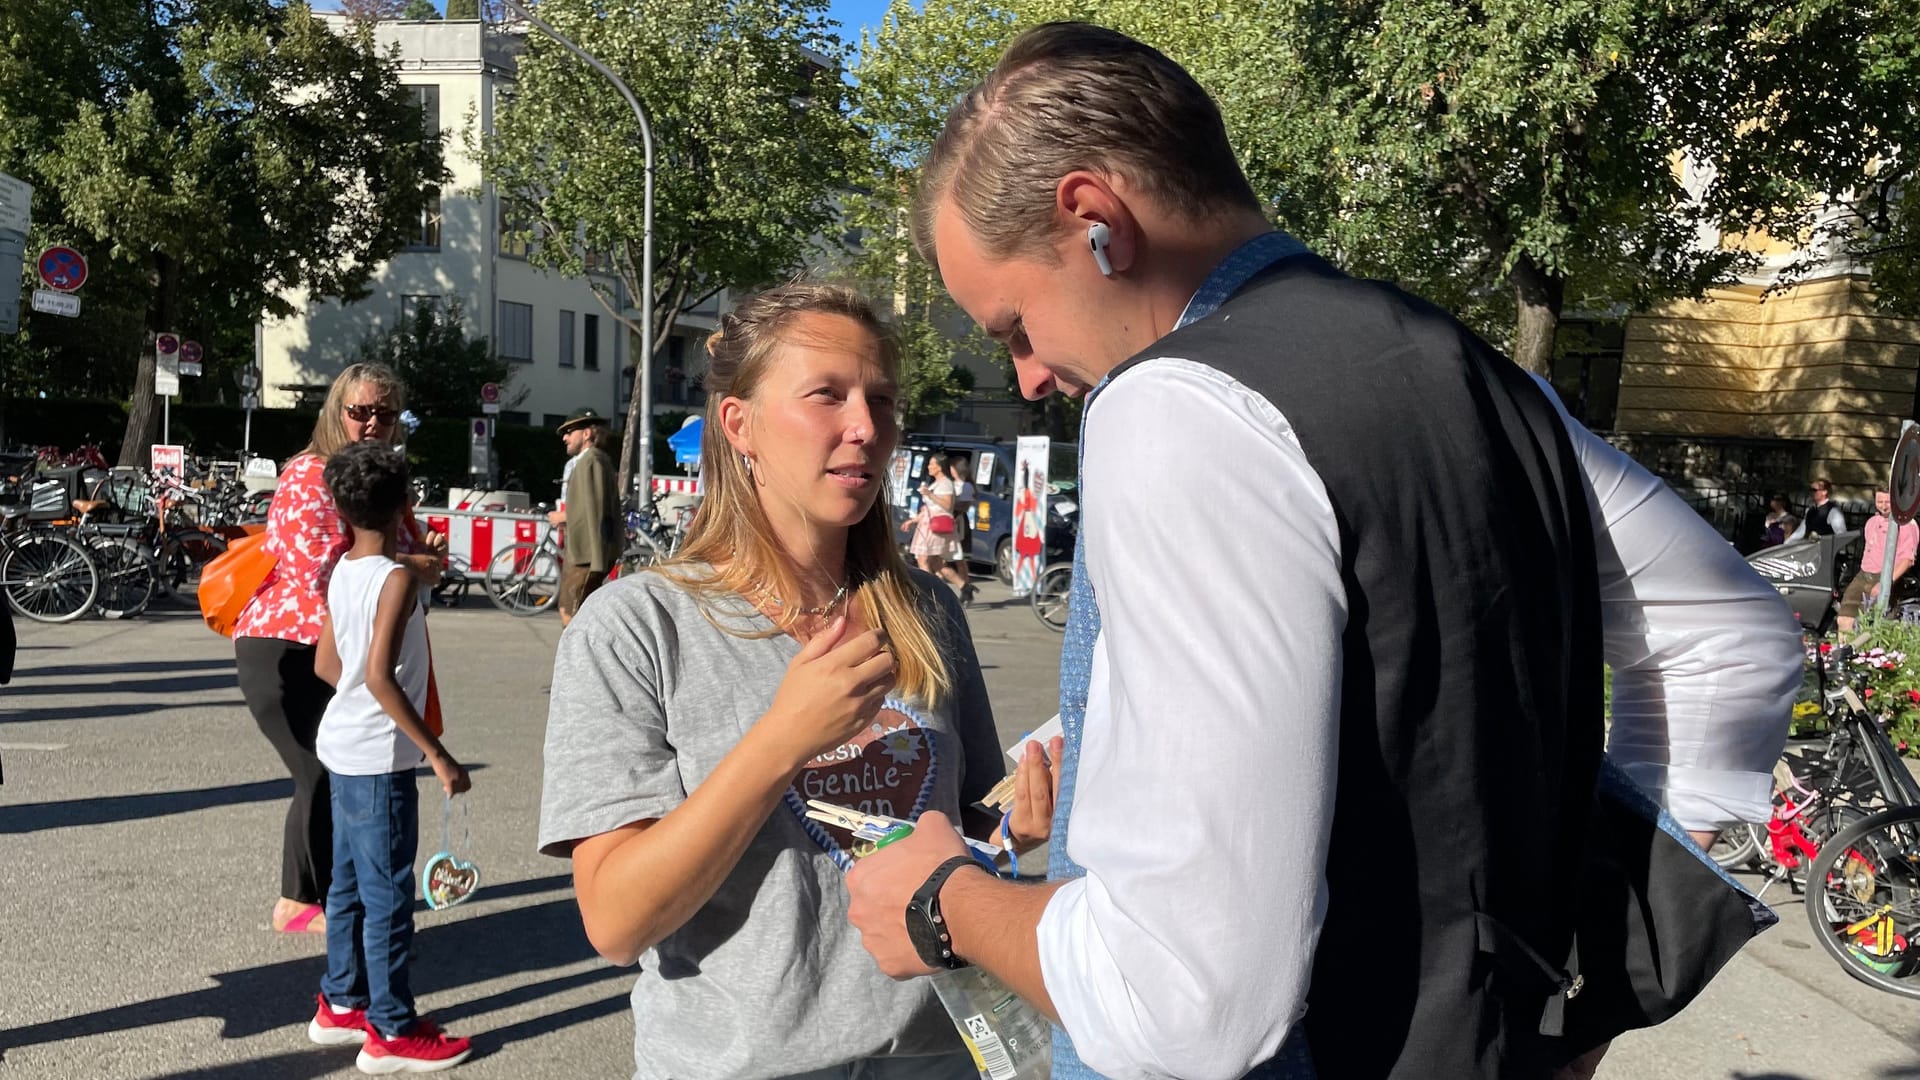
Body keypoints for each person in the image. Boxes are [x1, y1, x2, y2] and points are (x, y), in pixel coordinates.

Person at [840, 23, 1802, 1080]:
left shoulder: (1171, 407)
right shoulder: (1472, 370)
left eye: (1014, 323)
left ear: (1096, 221)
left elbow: (1187, 1004)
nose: (1027, 376)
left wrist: (944, 901)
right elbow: (1729, 633)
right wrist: (1593, 987)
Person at [537, 283, 1055, 1080]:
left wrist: (1010, 836)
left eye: (881, 400)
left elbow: (956, 835)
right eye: (828, 396)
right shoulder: (636, 626)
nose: (865, 428)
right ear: (738, 424)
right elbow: (615, 921)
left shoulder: (927, 612)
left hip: (939, 1057)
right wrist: (781, 739)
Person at [234, 363, 447, 935]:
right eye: (360, 411)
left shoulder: (379, 474)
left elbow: (398, 555)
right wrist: (412, 564)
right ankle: (312, 902)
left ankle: (321, 897)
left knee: (331, 771)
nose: (373, 421)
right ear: (337, 411)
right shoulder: (309, 473)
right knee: (322, 770)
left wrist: (418, 555)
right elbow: (319, 567)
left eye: (385, 412)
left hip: (335, 643)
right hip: (286, 645)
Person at [307, 443, 473, 1072]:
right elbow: (379, 675)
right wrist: (438, 754)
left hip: (343, 746)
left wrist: (354, 700)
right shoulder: (397, 579)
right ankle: (391, 1031)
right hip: (380, 758)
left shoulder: (344, 570)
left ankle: (342, 1002)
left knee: (348, 885)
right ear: (405, 505)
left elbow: (329, 664)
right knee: (389, 899)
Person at [548, 408, 621, 627]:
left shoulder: (591, 461)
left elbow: (596, 509)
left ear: (587, 433)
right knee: (571, 610)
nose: (565, 437)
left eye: (570, 431)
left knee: (570, 613)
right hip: (584, 552)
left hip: (586, 554)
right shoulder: (592, 460)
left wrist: (565, 515)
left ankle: (576, 659)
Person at [1835, 486, 1919, 632]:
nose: (1884, 506)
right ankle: (1843, 652)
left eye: (1888, 502)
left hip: (1885, 577)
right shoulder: (1872, 522)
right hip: (1864, 575)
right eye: (1879, 501)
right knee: (1844, 620)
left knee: (1871, 625)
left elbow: (1908, 559)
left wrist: (1885, 583)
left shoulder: (1906, 524)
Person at [911, 455, 971, 600]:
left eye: (932, 464)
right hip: (928, 525)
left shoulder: (945, 484)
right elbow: (929, 509)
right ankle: (964, 586)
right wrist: (913, 520)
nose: (929, 467)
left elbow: (947, 506)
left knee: (923, 559)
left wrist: (929, 494)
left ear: (939, 466)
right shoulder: (936, 483)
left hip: (937, 527)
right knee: (937, 564)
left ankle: (927, 594)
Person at [944, 453, 979, 606]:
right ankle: (966, 587)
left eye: (952, 468)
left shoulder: (966, 485)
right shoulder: (952, 483)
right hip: (950, 520)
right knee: (957, 559)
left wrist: (949, 504)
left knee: (959, 558)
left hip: (958, 521)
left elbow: (964, 505)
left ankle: (966, 587)